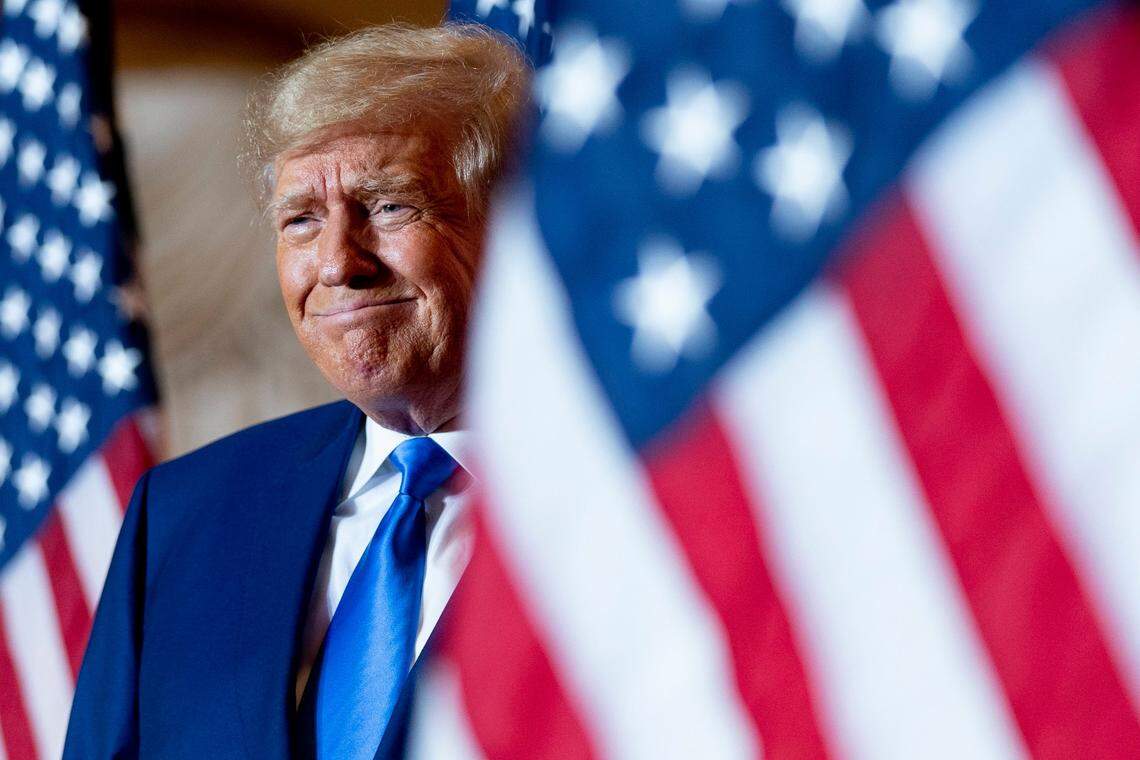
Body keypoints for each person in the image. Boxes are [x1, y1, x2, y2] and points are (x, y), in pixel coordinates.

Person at [62, 23, 528, 760]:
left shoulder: (642, 499)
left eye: (389, 205)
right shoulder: (184, 516)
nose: (338, 264)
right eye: (301, 220)